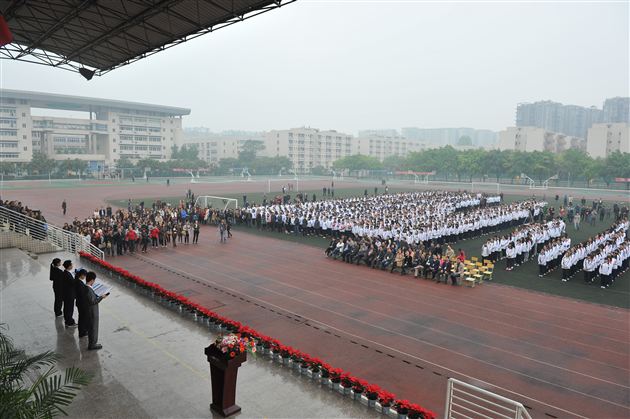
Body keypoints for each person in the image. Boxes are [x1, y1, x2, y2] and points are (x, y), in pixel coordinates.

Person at [85, 271, 108, 350]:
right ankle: (92, 344)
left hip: (90, 311)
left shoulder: (87, 288)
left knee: (92, 328)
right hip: (92, 312)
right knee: (93, 328)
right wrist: (102, 297)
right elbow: (93, 301)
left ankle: (92, 343)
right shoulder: (88, 290)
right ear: (91, 280)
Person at [61, 260, 77, 327]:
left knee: (67, 308)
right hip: (69, 295)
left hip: (66, 294)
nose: (72, 266)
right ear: (69, 266)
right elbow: (73, 283)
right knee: (69, 308)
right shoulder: (67, 274)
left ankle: (67, 320)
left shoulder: (65, 273)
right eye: (71, 265)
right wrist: (76, 277)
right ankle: (69, 322)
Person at [74, 269, 89, 337]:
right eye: (85, 276)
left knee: (81, 318)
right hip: (82, 303)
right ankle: (82, 332)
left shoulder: (77, 281)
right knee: (83, 318)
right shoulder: (79, 283)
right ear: (82, 275)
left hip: (79, 303)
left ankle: (82, 331)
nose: (85, 277)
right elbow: (83, 294)